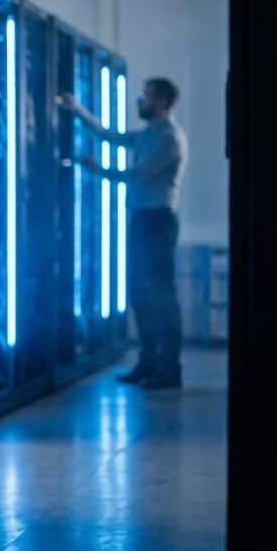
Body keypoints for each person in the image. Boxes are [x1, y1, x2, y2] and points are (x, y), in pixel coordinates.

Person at [58, 77, 188, 388]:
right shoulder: (149, 135)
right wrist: (78, 110)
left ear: (163, 103)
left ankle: (168, 369)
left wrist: (97, 170)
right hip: (144, 220)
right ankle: (148, 363)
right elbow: (110, 136)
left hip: (157, 221)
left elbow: (139, 175)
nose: (139, 100)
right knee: (141, 295)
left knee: (161, 297)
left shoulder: (169, 138)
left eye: (146, 96)